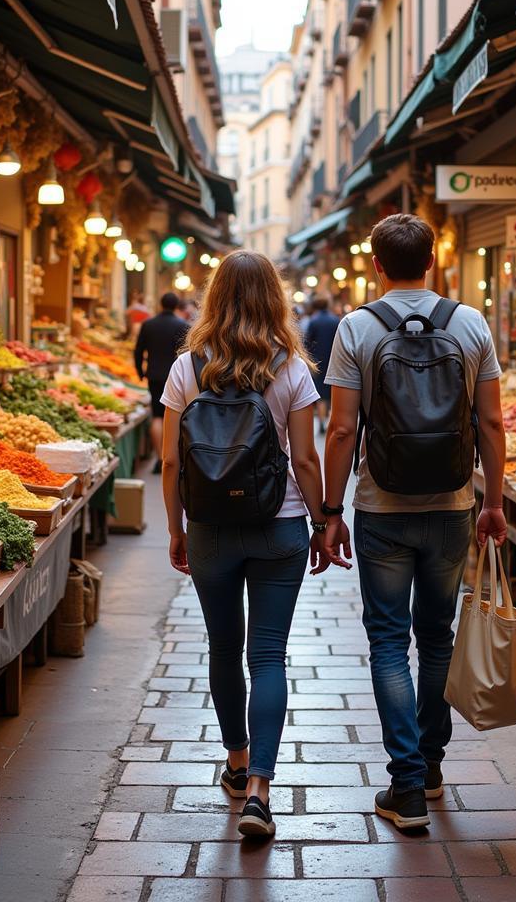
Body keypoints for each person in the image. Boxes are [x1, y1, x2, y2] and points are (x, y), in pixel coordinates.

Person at [321, 213, 508, 832]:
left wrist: (329, 510)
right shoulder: (470, 322)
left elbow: (343, 428)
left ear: (377, 264)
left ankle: (403, 785)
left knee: (386, 641)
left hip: (381, 509)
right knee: (438, 635)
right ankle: (429, 765)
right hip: (454, 507)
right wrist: (494, 502)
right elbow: (492, 425)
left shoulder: (357, 327)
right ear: (434, 260)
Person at [160, 251, 351, 839]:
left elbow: (170, 462)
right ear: (275, 298)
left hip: (212, 529)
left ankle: (237, 765)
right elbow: (305, 457)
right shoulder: (291, 368)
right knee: (267, 656)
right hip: (280, 526)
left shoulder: (187, 369)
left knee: (224, 650)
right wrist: (322, 521)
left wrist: (176, 529)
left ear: (213, 298)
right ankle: (262, 793)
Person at [134, 292, 189, 473]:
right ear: (176, 306)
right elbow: (187, 354)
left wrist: (140, 372)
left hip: (154, 375)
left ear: (160, 304)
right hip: (176, 376)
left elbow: (138, 350)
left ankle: (159, 457)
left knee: (157, 415)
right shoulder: (182, 325)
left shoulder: (148, 324)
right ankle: (171, 457)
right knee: (174, 416)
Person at [304, 295, 341, 435]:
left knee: (319, 393)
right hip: (334, 359)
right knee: (333, 390)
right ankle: (331, 419)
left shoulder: (313, 321)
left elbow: (307, 343)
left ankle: (321, 422)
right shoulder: (334, 320)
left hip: (317, 361)